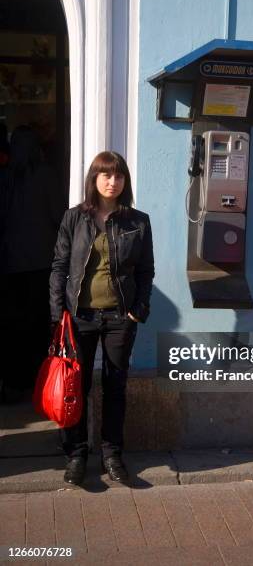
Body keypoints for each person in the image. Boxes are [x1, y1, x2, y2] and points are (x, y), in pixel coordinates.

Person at [49, 151, 154, 485]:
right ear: (94, 179)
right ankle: (77, 454)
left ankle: (112, 454)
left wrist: (139, 308)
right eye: (106, 175)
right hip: (79, 317)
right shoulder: (73, 219)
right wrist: (57, 315)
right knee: (74, 388)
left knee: (115, 388)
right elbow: (60, 268)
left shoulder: (138, 221)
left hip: (120, 318)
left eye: (119, 175)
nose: (113, 181)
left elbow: (146, 271)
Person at [0, 125, 65, 402]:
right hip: (41, 263)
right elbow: (58, 216)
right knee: (38, 324)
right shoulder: (46, 175)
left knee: (11, 326)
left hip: (8, 264)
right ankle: (40, 383)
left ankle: (15, 382)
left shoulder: (4, 177)